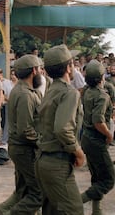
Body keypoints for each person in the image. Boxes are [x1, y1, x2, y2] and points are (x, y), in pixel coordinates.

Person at [35, 44, 85, 215]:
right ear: (69, 67)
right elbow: (63, 129)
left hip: (44, 160)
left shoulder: (51, 90)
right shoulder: (69, 92)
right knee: (74, 211)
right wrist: (78, 152)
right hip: (57, 162)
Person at [0, 55, 43, 215]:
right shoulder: (25, 94)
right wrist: (43, 142)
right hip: (25, 150)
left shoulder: (25, 90)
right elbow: (26, 130)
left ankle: (2, 209)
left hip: (20, 148)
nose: (41, 73)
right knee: (38, 193)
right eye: (40, 69)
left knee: (23, 189)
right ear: (34, 71)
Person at [80, 60, 114, 215]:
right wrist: (109, 134)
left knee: (97, 177)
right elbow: (98, 121)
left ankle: (96, 211)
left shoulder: (86, 91)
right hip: (96, 140)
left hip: (87, 139)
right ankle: (75, 202)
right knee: (108, 180)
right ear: (102, 77)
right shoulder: (102, 96)